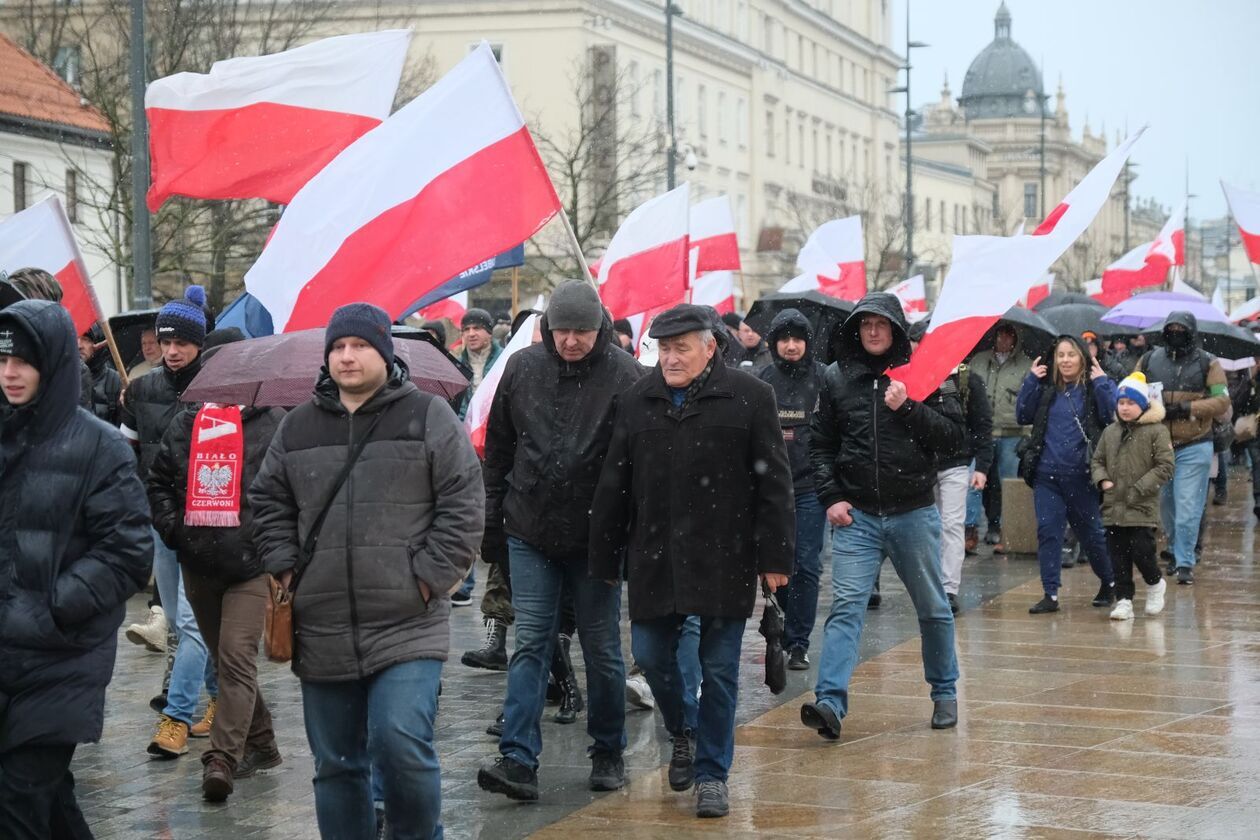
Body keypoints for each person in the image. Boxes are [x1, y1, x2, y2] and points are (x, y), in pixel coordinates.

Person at [250, 302, 483, 839]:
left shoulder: (428, 415)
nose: (347, 357)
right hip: (322, 623)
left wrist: (428, 576)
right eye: (337, 347)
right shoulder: (298, 426)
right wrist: (284, 568)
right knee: (336, 766)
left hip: (408, 620)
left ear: (385, 351)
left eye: (358, 346)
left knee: (400, 743)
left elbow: (464, 502)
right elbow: (268, 501)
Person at [590, 303, 794, 819]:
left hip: (725, 554)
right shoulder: (637, 399)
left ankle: (711, 775)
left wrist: (775, 556)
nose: (671, 357)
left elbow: (774, 484)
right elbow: (615, 482)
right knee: (651, 655)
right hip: (654, 554)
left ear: (710, 347)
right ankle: (685, 728)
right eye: (663, 348)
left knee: (720, 667)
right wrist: (606, 557)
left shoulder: (751, 397)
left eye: (682, 347)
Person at [476, 282, 644, 802]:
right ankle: (518, 756)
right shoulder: (522, 368)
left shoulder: (626, 376)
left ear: (600, 329)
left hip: (598, 537)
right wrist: (492, 524)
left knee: (600, 646)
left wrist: (631, 536)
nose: (571, 341)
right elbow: (499, 451)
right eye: (562, 330)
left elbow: (640, 465)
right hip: (529, 527)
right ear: (548, 329)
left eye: (583, 332)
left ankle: (608, 749)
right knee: (531, 639)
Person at [0, 300, 152, 836]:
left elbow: (127, 552)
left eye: (24, 360)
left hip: (59, 658)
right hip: (7, 657)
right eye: (2, 360)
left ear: (55, 361)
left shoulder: (100, 446)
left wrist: (52, 607)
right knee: (47, 804)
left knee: (16, 803)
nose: (10, 373)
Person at [799, 293, 963, 742]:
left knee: (932, 607)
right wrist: (831, 496)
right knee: (846, 609)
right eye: (866, 324)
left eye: (882, 324)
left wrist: (908, 407)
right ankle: (830, 702)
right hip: (859, 517)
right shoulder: (836, 378)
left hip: (913, 512)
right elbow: (821, 445)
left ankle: (944, 691)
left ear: (895, 329)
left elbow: (953, 441)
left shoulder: (923, 372)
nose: (873, 331)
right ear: (856, 329)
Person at [146, 328, 288, 802]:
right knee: (230, 665)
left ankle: (223, 757)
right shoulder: (189, 422)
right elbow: (160, 481)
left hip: (252, 565)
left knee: (234, 659)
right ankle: (263, 742)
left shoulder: (275, 423)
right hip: (198, 563)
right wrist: (176, 531)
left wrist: (275, 546)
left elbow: (290, 494)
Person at [121, 287, 220, 758]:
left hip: (207, 524)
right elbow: (127, 455)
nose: (173, 350)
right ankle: (222, 699)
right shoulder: (139, 390)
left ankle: (176, 717)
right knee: (186, 626)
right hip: (160, 524)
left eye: (183, 342)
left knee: (192, 620)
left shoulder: (221, 388)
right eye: (166, 341)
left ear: (200, 342)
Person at [1016, 336, 1118, 614]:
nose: (1065, 360)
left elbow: (1114, 415)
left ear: (1083, 358)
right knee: (1048, 532)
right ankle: (1050, 594)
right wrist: (1030, 382)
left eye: (1071, 354)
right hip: (1047, 476)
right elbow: (1022, 415)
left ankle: (1110, 582)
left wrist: (1103, 383)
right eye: (1060, 355)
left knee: (1092, 535)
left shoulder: (1092, 388)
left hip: (1082, 477)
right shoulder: (1047, 389)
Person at [1135, 313, 1229, 585]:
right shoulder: (1150, 360)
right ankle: (1176, 550)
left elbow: (1221, 401)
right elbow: (1132, 389)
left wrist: (1188, 408)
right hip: (1159, 444)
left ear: (1191, 332)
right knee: (1167, 505)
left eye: (1181, 329)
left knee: (1188, 504)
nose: (1176, 332)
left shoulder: (1207, 362)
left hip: (1195, 443)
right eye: (1171, 328)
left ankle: (1185, 561)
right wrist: (1153, 405)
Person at [909, 320, 993, 614]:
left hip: (956, 462)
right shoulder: (911, 378)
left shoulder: (968, 380)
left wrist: (981, 466)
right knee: (925, 526)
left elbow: (982, 425)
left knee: (952, 525)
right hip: (921, 463)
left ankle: (948, 587)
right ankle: (930, 584)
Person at [758, 308, 827, 668]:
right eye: (783, 338)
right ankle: (783, 620)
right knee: (776, 563)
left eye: (797, 338)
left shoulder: (823, 379)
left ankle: (799, 641)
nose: (790, 345)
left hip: (812, 487)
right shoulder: (762, 380)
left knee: (806, 564)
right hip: (771, 489)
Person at [1090, 372, 1174, 621]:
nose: (1125, 408)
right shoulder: (1110, 432)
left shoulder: (1156, 431)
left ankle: (1155, 583)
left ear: (1143, 404)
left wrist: (1139, 488)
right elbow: (1097, 460)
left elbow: (1165, 466)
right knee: (1118, 556)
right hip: (1113, 505)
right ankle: (1124, 599)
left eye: (1131, 403)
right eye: (1121, 403)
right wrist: (1102, 480)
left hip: (1141, 506)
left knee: (1142, 552)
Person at [967, 323, 1032, 548]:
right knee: (975, 482)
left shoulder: (1026, 365)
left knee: (1007, 483)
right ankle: (970, 529)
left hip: (1011, 432)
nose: (1003, 339)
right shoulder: (978, 361)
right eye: (1000, 334)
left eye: (1009, 335)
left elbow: (1029, 400)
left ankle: (1006, 529)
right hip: (980, 431)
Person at [78, 324, 122, 426]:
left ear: (99, 343)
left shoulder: (114, 381)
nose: (79, 345)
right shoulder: (60, 378)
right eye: (75, 337)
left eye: (86, 339)